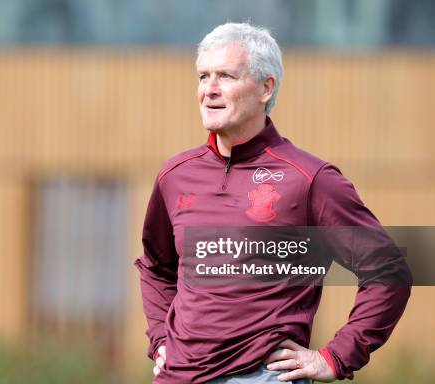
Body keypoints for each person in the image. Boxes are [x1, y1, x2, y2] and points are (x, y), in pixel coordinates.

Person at [134, 22, 412, 383]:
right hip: (176, 376)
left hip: (263, 376)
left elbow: (388, 270)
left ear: (266, 87)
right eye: (203, 76)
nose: (209, 90)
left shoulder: (311, 178)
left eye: (226, 76)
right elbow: (156, 266)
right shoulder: (175, 174)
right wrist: (160, 339)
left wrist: (337, 356)